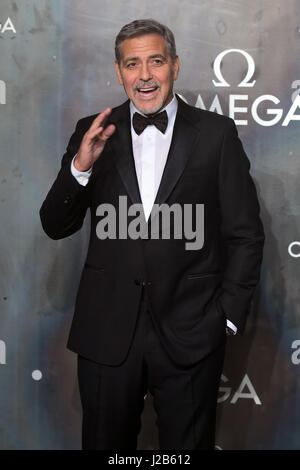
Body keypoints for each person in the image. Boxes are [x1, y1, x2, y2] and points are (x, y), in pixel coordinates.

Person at [40, 18, 265, 450]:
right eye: (132, 64)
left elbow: (245, 234)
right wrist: (80, 167)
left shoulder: (216, 136)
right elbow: (55, 224)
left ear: (175, 67)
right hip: (107, 333)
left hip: (192, 329)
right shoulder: (94, 131)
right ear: (119, 70)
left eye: (155, 61)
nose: (144, 75)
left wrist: (227, 317)